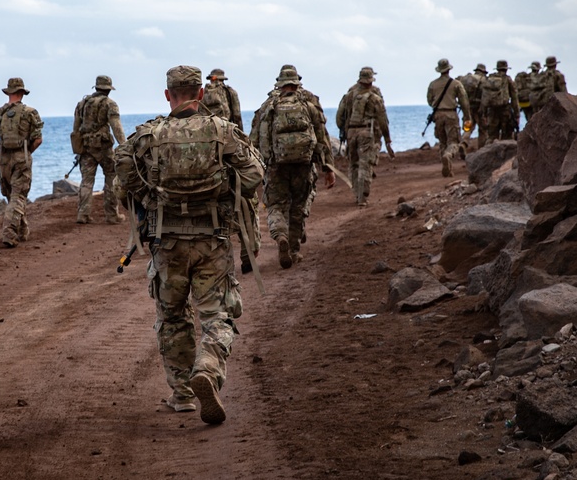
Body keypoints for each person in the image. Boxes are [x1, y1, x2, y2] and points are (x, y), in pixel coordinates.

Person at [114, 66, 263, 425]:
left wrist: (148, 193)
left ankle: (182, 394)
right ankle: (208, 369)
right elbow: (254, 175)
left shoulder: (150, 135)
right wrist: (224, 188)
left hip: (167, 243)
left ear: (168, 95)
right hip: (212, 240)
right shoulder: (222, 131)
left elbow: (121, 164)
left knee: (173, 317)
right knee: (217, 315)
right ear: (200, 93)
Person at [251, 68, 335, 269]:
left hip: (275, 167)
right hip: (303, 166)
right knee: (298, 207)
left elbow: (253, 140)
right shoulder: (308, 105)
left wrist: (254, 168)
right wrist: (328, 167)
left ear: (279, 84)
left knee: (275, 205)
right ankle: (294, 251)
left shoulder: (267, 107)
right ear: (297, 83)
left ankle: (280, 235)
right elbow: (322, 138)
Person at [0, 78, 44, 247]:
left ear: (9, 93)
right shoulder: (30, 112)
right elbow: (38, 139)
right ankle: (9, 234)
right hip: (21, 158)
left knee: (13, 196)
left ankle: (22, 229)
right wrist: (27, 153)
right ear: (21, 93)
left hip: (3, 160)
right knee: (18, 197)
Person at [71, 75, 126, 224]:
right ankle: (112, 215)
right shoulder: (110, 104)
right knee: (111, 177)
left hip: (86, 148)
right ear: (108, 90)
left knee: (86, 181)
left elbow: (76, 129)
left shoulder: (82, 104)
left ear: (96, 88)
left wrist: (78, 148)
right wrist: (124, 145)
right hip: (104, 148)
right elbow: (116, 127)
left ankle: (83, 214)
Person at [337, 67, 394, 206]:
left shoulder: (349, 95)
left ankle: (356, 193)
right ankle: (362, 197)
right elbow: (383, 120)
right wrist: (387, 140)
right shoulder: (375, 97)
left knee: (353, 164)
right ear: (371, 80)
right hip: (367, 133)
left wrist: (344, 131)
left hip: (351, 132)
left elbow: (339, 117)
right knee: (365, 165)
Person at [426, 59, 472, 177]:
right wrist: (467, 117)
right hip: (451, 114)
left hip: (438, 115)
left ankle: (447, 168)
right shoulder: (456, 84)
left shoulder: (433, 84)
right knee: (454, 141)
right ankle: (448, 156)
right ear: (449, 69)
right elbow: (464, 102)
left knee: (442, 141)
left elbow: (430, 101)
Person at [480, 61, 519, 143]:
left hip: (491, 111)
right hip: (505, 111)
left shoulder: (489, 79)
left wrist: (484, 114)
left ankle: (489, 153)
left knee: (492, 136)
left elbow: (484, 97)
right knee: (506, 136)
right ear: (506, 69)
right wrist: (517, 114)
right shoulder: (508, 79)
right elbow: (514, 98)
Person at [458, 63, 488, 146]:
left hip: (467, 108)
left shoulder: (465, 79)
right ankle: (481, 150)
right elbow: (486, 96)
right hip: (479, 108)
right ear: (483, 72)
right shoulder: (484, 80)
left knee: (468, 128)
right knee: (483, 130)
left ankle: (463, 143)